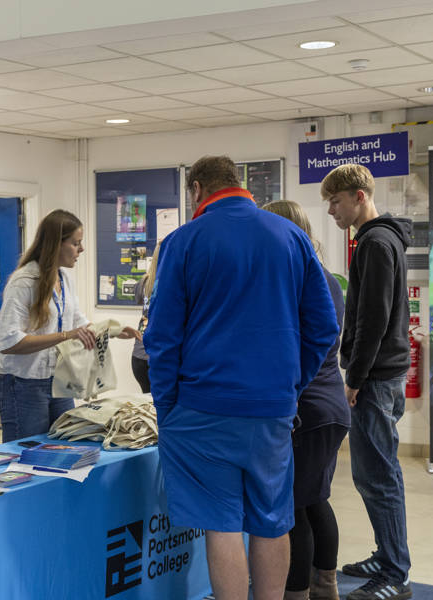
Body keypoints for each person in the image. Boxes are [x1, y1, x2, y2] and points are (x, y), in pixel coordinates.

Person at [144, 156, 338, 600]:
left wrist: (166, 405)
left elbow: (162, 337)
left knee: (222, 524)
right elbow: (324, 328)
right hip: (271, 409)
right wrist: (290, 385)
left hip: (201, 408)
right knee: (272, 520)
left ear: (197, 190)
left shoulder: (183, 242)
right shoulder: (291, 237)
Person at [322, 164, 413, 600]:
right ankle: (387, 554)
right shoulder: (382, 238)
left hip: (375, 378)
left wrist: (355, 378)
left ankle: (395, 572)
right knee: (376, 473)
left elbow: (372, 319)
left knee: (378, 476)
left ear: (359, 196)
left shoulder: (376, 242)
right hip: (383, 373)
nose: (332, 211)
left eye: (336, 201)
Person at [262, 201, 350, 600]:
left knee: (292, 509)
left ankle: (296, 592)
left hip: (306, 409)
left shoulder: (297, 278)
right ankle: (324, 586)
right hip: (328, 406)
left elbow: (295, 345)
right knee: (315, 501)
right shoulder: (324, 276)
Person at [0, 209, 137, 442]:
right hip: (22, 385)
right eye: (75, 243)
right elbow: (9, 342)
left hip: (57, 381)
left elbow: (78, 321)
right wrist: (66, 335)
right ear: (55, 244)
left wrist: (112, 330)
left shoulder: (64, 279)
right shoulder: (24, 282)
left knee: (65, 447)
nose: (82, 249)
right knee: (28, 455)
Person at [131, 244, 161, 394]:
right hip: (157, 356)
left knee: (148, 399)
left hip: (138, 356)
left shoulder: (144, 281)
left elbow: (139, 300)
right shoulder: (170, 283)